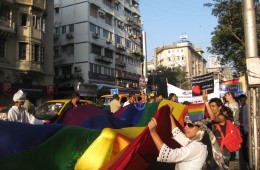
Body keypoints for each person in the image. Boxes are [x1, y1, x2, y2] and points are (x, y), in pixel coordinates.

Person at [148, 104, 208, 170]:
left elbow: (170, 155)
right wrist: (170, 115)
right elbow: (177, 133)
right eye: (185, 124)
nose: (186, 127)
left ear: (200, 128)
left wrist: (153, 133)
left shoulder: (197, 147)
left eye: (190, 125)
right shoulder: (194, 142)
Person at [238, 94, 249, 169]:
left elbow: (245, 121)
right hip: (244, 130)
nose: (243, 101)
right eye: (242, 100)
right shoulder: (242, 108)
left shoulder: (245, 107)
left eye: (244, 100)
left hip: (246, 130)